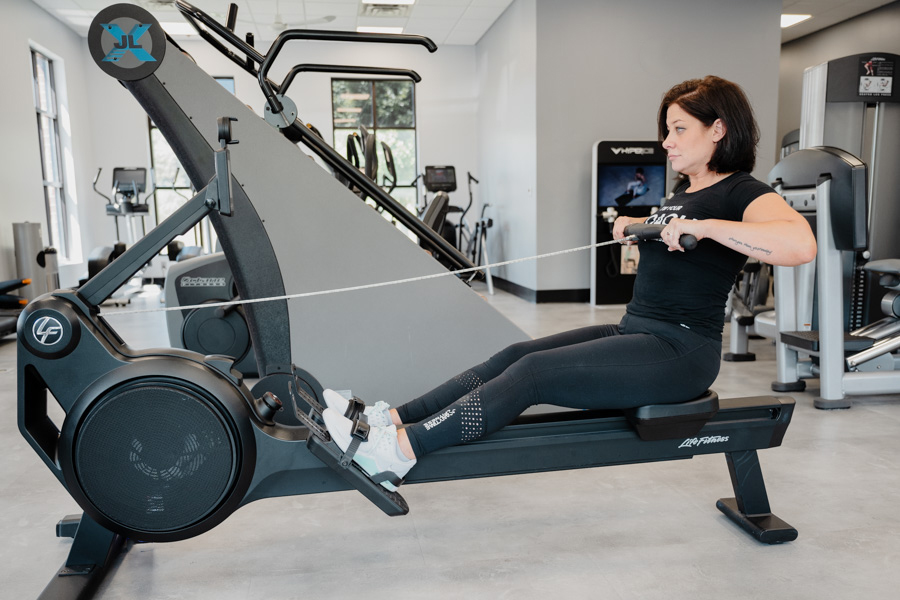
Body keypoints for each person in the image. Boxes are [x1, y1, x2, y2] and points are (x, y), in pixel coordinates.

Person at [322, 75, 817, 491]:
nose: (666, 141)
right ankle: (387, 422)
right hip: (638, 330)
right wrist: (636, 227)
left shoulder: (741, 190)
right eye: (666, 129)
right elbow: (678, 239)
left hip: (682, 351)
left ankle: (398, 454)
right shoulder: (685, 191)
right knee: (513, 356)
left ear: (718, 130)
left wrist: (703, 228)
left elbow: (800, 245)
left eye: (678, 129)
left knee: (534, 375)